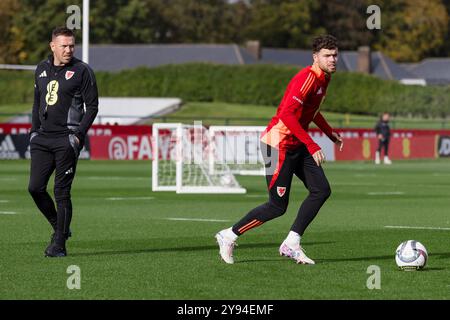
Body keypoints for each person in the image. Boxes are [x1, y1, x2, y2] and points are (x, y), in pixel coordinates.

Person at [215, 35, 343, 265]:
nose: (333, 59)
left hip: (297, 144)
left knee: (321, 190)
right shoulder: (307, 78)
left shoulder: (324, 78)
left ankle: (291, 243)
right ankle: (228, 235)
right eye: (327, 55)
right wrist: (313, 144)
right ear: (316, 57)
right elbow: (287, 115)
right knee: (277, 206)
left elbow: (311, 111)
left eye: (335, 54)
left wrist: (329, 132)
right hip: (276, 145)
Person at [28, 26, 98, 257]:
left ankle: (59, 244)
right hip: (42, 139)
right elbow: (37, 102)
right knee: (35, 188)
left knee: (61, 192)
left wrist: (78, 136)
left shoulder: (82, 71)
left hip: (66, 140)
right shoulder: (41, 69)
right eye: (63, 46)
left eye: (71, 46)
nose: (68, 50)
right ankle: (61, 227)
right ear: (53, 46)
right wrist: (34, 131)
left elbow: (92, 107)